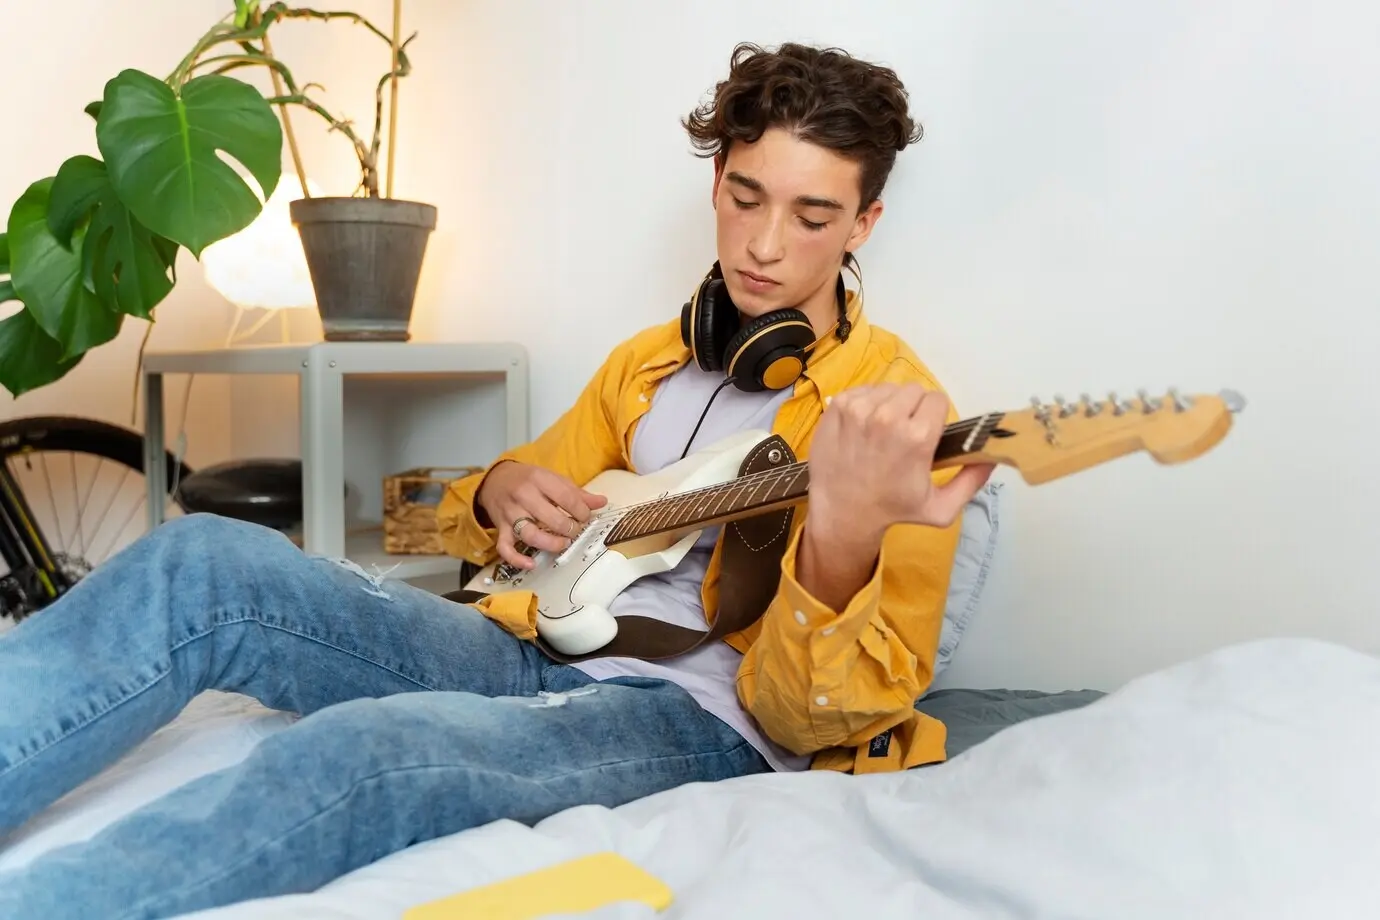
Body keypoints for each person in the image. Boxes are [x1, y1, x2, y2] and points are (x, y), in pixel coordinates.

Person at [0, 41, 992, 919]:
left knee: (371, 749)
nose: (765, 244)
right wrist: (497, 489)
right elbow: (466, 514)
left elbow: (810, 719)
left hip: (694, 714)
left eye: (812, 216)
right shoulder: (651, 363)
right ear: (717, 185)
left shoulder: (899, 419)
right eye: (745, 198)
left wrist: (838, 543)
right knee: (200, 563)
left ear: (863, 224)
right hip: (528, 642)